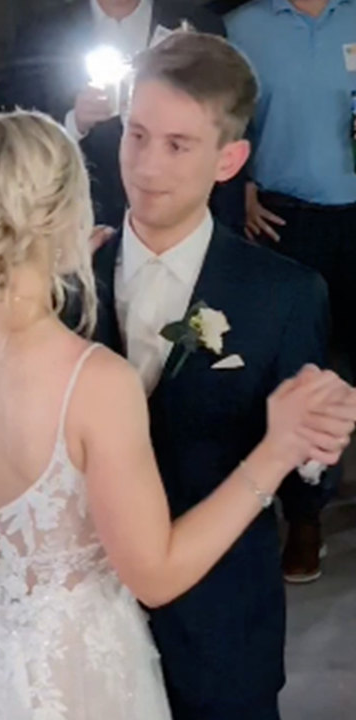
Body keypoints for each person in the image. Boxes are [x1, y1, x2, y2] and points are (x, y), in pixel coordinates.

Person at [0, 32, 342, 720]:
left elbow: (308, 476)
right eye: (136, 134)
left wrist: (317, 441)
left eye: (178, 144)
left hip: (216, 629)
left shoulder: (284, 295)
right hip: (69, 649)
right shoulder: (51, 278)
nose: (146, 164)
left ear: (230, 158)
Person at [227, 0, 354, 583]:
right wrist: (240, 186)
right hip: (283, 222)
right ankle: (304, 516)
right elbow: (224, 118)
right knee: (296, 371)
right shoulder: (242, 27)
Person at [0, 0, 243, 232]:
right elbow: (16, 122)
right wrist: (74, 122)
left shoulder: (197, 23)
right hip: (74, 215)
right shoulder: (46, 28)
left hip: (176, 217)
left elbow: (229, 121)